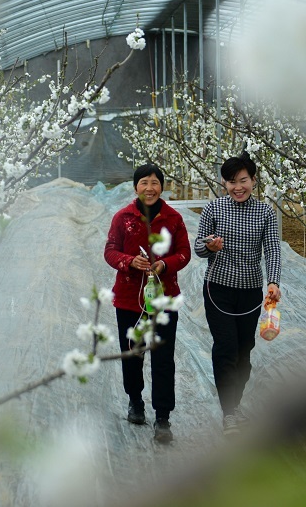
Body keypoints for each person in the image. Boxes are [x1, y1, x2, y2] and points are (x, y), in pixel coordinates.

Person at [194, 151, 281, 436]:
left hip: (250, 292)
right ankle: (229, 412)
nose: (237, 187)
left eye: (243, 180)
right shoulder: (214, 209)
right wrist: (211, 247)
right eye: (231, 181)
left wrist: (274, 282)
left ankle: (235, 404)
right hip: (218, 288)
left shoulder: (265, 212)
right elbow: (198, 246)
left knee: (245, 353)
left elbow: (272, 250)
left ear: (254, 181)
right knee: (227, 349)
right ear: (224, 183)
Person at [104, 163, 191, 443]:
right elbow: (110, 251)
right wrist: (129, 262)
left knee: (163, 359)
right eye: (144, 183)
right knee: (133, 353)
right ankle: (135, 401)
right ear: (135, 187)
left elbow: (185, 253)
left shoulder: (173, 218)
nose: (149, 188)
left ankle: (163, 416)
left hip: (164, 300)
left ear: (161, 187)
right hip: (130, 300)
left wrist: (165, 264)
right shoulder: (123, 218)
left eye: (155, 182)